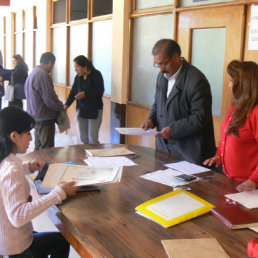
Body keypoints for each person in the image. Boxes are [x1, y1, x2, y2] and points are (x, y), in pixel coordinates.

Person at [0, 106, 78, 257]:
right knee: (62, 241)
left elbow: (6, 176)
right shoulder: (12, 169)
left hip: (7, 239)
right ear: (14, 136)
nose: (31, 138)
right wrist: (58, 193)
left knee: (57, 241)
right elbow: (18, 216)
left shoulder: (6, 159)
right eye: (28, 133)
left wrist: (27, 167)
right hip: (17, 246)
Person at [141, 39, 216, 164]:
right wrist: (151, 119)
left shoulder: (196, 80)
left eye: (163, 64)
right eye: (157, 64)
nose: (160, 69)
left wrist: (173, 130)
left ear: (176, 57)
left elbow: (200, 117)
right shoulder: (162, 76)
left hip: (187, 150)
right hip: (163, 148)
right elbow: (158, 102)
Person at [203, 60, 258, 192]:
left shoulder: (255, 112)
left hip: (248, 186)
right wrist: (219, 156)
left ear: (243, 84)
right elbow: (226, 134)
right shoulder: (236, 104)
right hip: (229, 179)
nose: (229, 85)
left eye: (232, 80)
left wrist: (253, 180)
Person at [25, 52, 64, 150]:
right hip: (45, 117)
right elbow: (49, 99)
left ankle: (37, 165)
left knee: (38, 147)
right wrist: (60, 106)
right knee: (47, 150)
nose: (52, 68)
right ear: (50, 62)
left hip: (34, 115)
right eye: (53, 65)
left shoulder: (33, 72)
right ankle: (46, 166)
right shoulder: (43, 75)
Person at [64, 55, 104, 144]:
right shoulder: (78, 77)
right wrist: (66, 105)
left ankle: (95, 157)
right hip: (81, 109)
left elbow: (100, 91)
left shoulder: (96, 74)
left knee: (92, 137)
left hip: (95, 109)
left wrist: (85, 94)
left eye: (77, 67)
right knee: (83, 137)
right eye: (75, 67)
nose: (75, 69)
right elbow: (73, 92)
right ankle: (85, 156)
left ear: (85, 67)